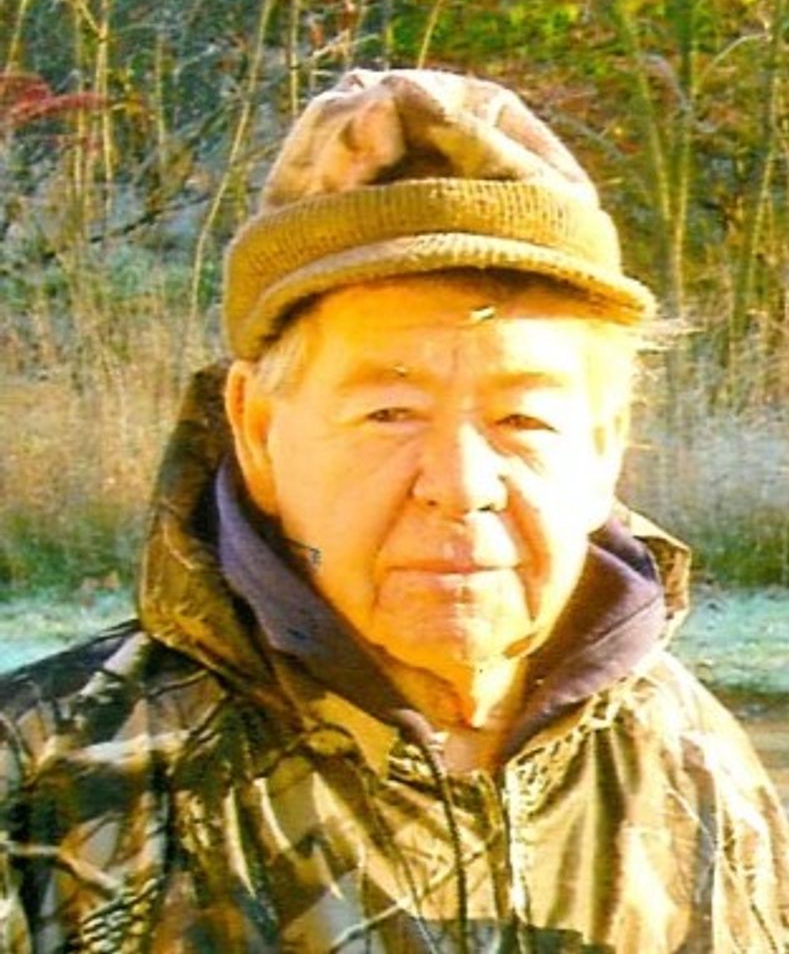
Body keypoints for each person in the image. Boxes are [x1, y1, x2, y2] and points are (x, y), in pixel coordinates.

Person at [1, 69, 787, 953]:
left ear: (605, 447)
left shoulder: (692, 759)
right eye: (389, 413)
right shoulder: (44, 785)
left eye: (522, 419)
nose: (460, 482)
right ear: (256, 429)